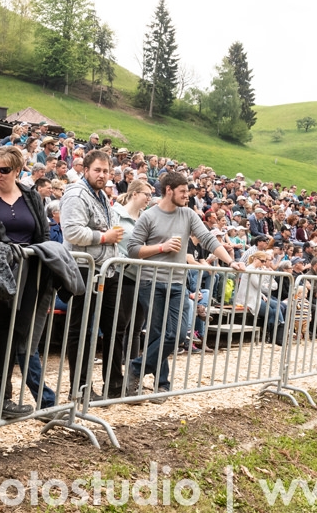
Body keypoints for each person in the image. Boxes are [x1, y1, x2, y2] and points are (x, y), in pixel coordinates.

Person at [125, 171, 244, 401]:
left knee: (177, 334)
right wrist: (162, 247)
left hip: (178, 282)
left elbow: (208, 239)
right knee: (157, 334)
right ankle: (162, 385)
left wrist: (230, 262)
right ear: (169, 190)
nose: (187, 196)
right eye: (182, 192)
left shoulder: (188, 214)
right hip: (151, 281)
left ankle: (136, 368)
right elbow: (132, 249)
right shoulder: (148, 216)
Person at [0, 144, 57, 416]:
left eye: (3, 169)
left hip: (29, 274)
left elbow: (43, 234)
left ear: (17, 170)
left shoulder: (31, 196)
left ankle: (1, 398)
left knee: (16, 335)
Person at [59, 150, 137, 402]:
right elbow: (72, 232)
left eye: (106, 171)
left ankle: (114, 384)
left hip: (107, 269)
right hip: (84, 268)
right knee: (81, 329)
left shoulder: (102, 195)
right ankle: (80, 389)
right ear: (85, 170)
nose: (102, 175)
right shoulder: (76, 194)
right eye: (97, 170)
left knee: (115, 327)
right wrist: (104, 237)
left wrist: (110, 239)